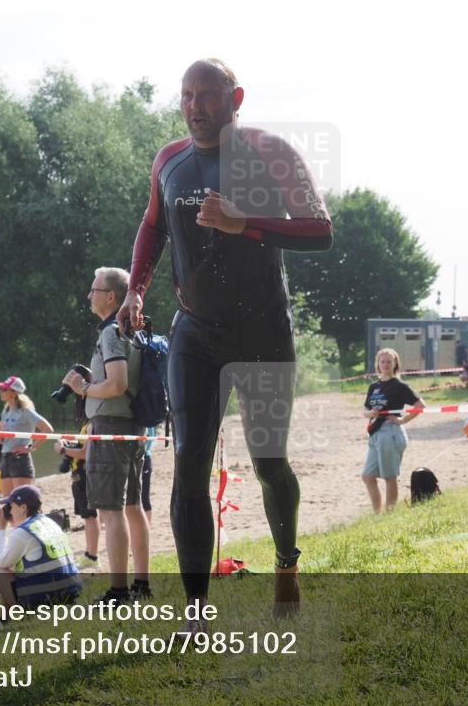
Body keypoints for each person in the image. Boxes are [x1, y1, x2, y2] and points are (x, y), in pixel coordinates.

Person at [117, 59, 333, 619]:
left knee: (268, 461)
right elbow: (153, 225)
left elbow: (319, 230)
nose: (195, 106)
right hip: (195, 332)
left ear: (235, 98)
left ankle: (287, 564)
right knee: (188, 461)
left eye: (207, 95)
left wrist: (247, 224)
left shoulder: (271, 152)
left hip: (263, 330)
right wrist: (135, 289)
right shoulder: (170, 159)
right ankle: (195, 611)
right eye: (187, 95)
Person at [63, 267, 150, 605]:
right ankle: (141, 583)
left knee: (111, 511)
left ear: (111, 296)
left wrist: (82, 387)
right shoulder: (133, 329)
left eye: (93, 289)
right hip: (132, 427)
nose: (89, 295)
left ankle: (119, 591)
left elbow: (116, 384)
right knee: (132, 506)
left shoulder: (111, 332)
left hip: (112, 426)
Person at [0, 485, 80, 633]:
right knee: (13, 571)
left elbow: (2, 561)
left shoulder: (23, 532)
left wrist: (1, 529)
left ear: (23, 507)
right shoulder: (49, 523)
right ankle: (5, 619)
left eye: (11, 506)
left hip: (45, 601)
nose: (10, 510)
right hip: (70, 595)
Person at [362, 349, 422, 513]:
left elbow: (419, 406)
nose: (386, 364)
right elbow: (365, 409)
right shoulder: (374, 386)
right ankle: (377, 514)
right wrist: (370, 413)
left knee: (389, 477)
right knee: (367, 476)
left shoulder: (400, 386)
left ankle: (390, 514)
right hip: (374, 433)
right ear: (378, 365)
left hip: (391, 433)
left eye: (389, 361)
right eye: (383, 362)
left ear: (395, 364)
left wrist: (402, 420)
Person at [0, 376, 54, 497]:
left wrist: (31, 447)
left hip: (19, 459)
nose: (1, 391)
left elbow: (48, 429)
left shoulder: (25, 411)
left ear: (14, 392)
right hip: (5, 457)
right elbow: (4, 441)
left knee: (23, 502)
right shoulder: (5, 412)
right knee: (7, 503)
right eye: (1, 389)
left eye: (4, 389)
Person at [54, 426, 100, 570]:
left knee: (90, 516)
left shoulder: (92, 424)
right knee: (88, 517)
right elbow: (83, 447)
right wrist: (69, 444)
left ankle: (92, 556)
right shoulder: (87, 425)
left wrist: (63, 450)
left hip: (85, 475)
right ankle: (89, 554)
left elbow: (85, 453)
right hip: (80, 476)